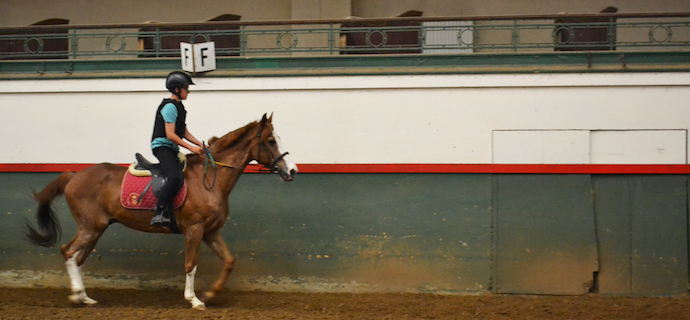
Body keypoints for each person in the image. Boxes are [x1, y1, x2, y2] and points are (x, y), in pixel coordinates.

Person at [150, 71, 203, 225]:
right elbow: (171, 135)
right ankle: (159, 211)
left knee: (182, 175)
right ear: (177, 89)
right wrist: (191, 149)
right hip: (162, 147)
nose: (188, 92)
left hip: (172, 148)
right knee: (174, 176)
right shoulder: (170, 107)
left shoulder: (180, 107)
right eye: (186, 88)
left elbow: (184, 132)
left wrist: (200, 144)